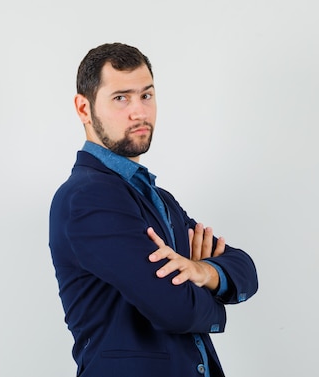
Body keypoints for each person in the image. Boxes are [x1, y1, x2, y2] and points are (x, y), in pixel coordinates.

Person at [49, 42, 258, 377]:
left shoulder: (159, 198)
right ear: (84, 108)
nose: (139, 112)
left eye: (146, 95)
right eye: (121, 98)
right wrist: (216, 299)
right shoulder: (88, 197)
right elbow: (176, 311)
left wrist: (203, 272)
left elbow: (245, 268)